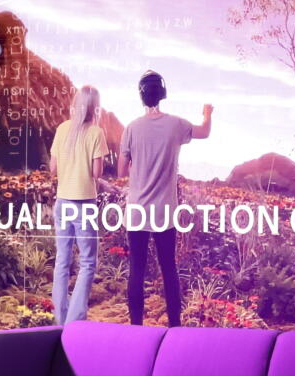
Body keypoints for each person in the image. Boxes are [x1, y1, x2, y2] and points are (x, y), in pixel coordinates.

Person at [119, 70, 212, 327]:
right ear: (162, 93)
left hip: (137, 210)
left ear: (141, 96)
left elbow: (121, 170)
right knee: (169, 268)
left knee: (136, 269)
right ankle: (174, 326)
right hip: (164, 211)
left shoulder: (131, 128)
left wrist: (138, 165)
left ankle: (136, 326)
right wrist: (207, 113)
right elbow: (204, 132)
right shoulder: (176, 125)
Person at [48, 84, 108, 324]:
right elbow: (96, 173)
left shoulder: (62, 129)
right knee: (87, 263)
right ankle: (75, 320)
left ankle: (59, 320)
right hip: (84, 204)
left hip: (63, 201)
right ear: (95, 108)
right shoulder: (96, 132)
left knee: (62, 261)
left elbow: (53, 169)